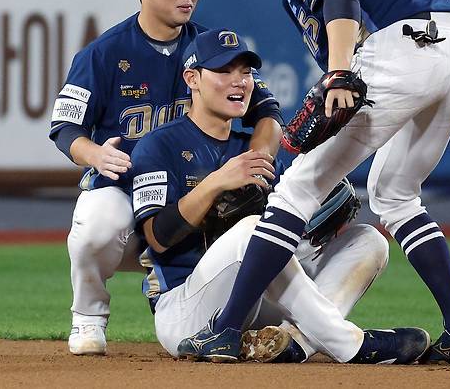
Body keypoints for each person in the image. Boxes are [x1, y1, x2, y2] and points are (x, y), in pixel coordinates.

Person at [179, 0, 450, 364]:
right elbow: (342, 29)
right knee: (395, 195)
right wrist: (338, 76)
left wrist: (340, 75)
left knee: (294, 192)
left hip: (407, 49)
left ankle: (223, 330)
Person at [48, 0, 283, 355]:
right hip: (124, 191)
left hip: (190, 194)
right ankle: (88, 316)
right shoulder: (104, 54)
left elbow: (267, 110)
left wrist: (259, 155)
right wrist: (94, 154)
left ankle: (202, 309)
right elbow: (65, 128)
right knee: (97, 222)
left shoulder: (213, 52)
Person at [131, 29, 429, 364]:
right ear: (193, 79)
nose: (238, 81)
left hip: (255, 305)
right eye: (223, 71)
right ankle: (349, 344)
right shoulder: (159, 145)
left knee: (369, 241)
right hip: (186, 311)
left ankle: (293, 342)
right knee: (252, 231)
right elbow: (157, 237)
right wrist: (214, 183)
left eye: (245, 72)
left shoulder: (256, 148)